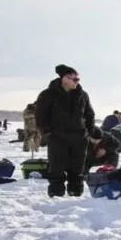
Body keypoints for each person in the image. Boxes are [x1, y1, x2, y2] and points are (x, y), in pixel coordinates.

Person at [34, 65, 95, 197]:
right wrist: (47, 132)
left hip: (79, 138)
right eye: (74, 79)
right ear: (64, 79)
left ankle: (75, 194)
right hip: (58, 137)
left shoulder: (82, 95)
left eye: (78, 79)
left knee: (77, 168)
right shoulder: (48, 94)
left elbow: (90, 115)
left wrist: (88, 133)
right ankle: (56, 195)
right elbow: (40, 115)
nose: (77, 82)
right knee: (57, 168)